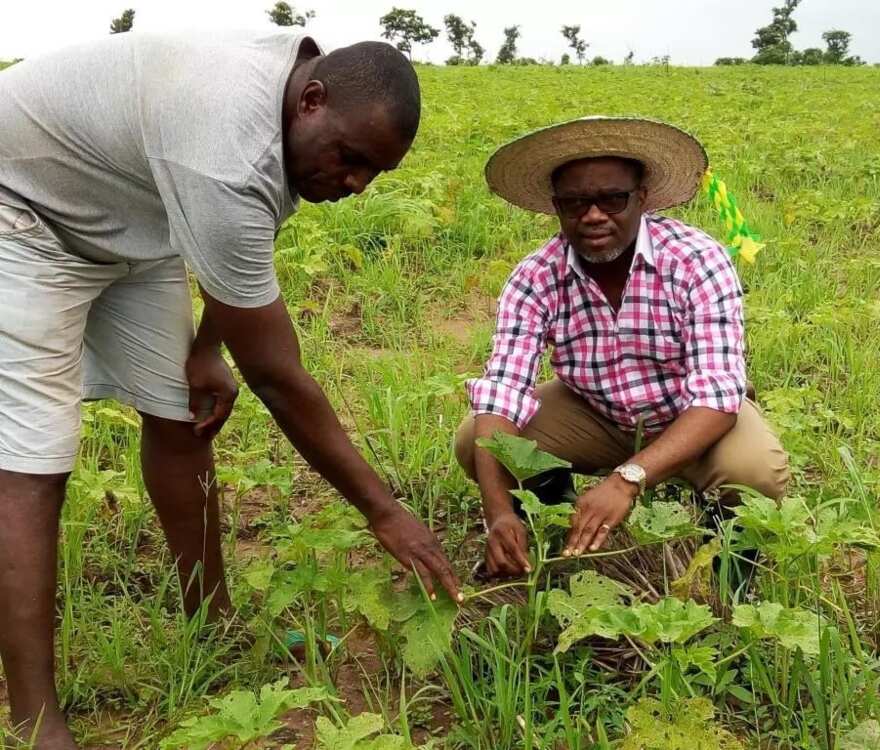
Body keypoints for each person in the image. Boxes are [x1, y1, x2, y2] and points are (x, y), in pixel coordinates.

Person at [0, 32, 460, 749]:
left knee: (180, 415)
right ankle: (35, 720)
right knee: (35, 461)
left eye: (376, 173)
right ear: (311, 100)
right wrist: (385, 511)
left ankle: (210, 620)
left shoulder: (290, 116)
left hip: (134, 211)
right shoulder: (227, 149)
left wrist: (208, 346)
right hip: (22, 212)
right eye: (352, 160)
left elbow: (245, 241)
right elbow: (278, 376)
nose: (355, 185)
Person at [455, 117, 790, 579]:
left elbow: (717, 395)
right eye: (575, 203)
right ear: (556, 207)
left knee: (755, 472)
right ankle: (562, 520)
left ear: (642, 199)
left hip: (688, 413)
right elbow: (502, 392)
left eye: (612, 199)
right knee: (477, 437)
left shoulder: (696, 259)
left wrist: (627, 478)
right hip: (594, 411)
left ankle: (730, 573)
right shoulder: (535, 277)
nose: (593, 215)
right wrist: (498, 514)